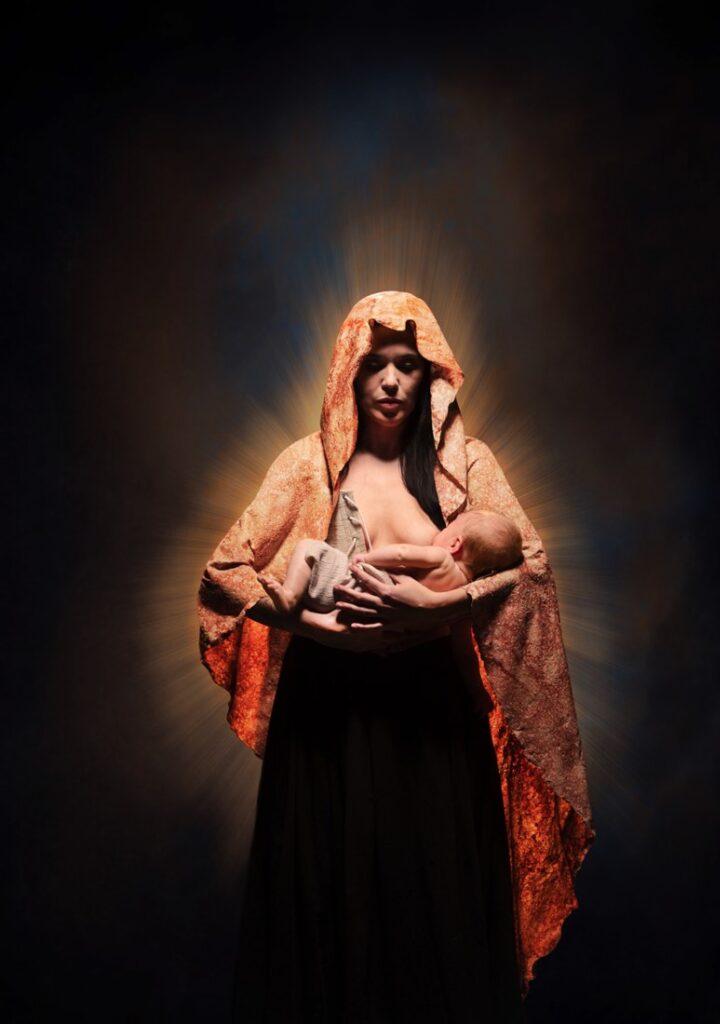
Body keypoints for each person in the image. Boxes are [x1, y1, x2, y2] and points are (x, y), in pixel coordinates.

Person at [197, 291, 596, 1022]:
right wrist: (319, 630)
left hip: (433, 720)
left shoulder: (464, 466)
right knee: (327, 902)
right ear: (349, 372)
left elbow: (530, 569)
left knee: (435, 908)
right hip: (324, 723)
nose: (389, 380)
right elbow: (223, 574)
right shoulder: (307, 467)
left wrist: (442, 607)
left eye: (407, 365)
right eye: (374, 363)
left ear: (431, 374)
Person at [254, 507, 523, 714]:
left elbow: (402, 554)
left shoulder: (442, 559)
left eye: (449, 526)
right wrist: (477, 690)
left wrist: (366, 558)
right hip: (372, 628)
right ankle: (293, 598)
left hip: (352, 589)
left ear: (455, 544)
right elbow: (464, 652)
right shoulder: (460, 608)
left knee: (310, 548)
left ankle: (290, 596)